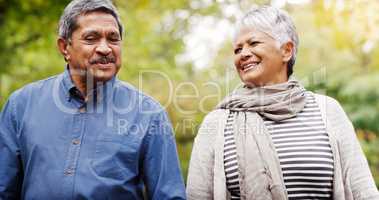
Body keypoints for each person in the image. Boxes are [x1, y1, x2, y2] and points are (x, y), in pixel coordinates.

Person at [186, 5, 379, 200]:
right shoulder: (217, 122)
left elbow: (364, 191)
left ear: (286, 51)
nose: (243, 54)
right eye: (238, 49)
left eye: (253, 43)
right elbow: (197, 196)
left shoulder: (328, 110)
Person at [0, 0, 186, 199]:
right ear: (64, 47)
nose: (105, 49)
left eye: (113, 39)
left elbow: (169, 195)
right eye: (91, 38)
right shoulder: (21, 106)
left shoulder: (148, 114)